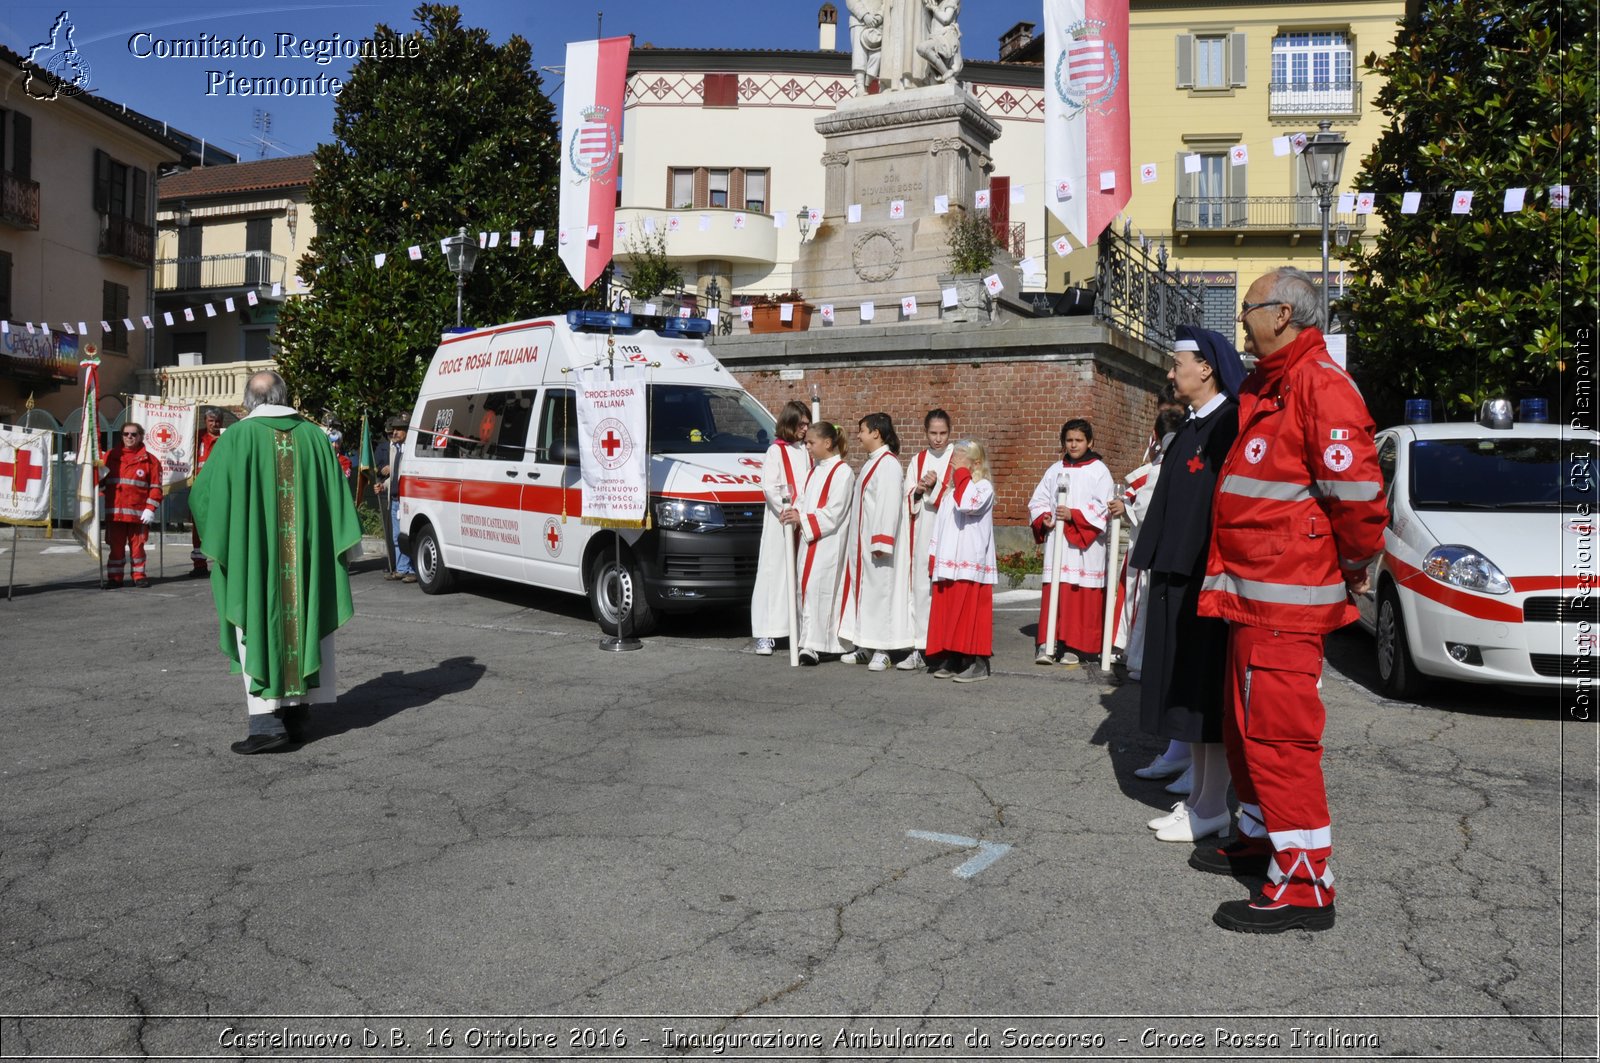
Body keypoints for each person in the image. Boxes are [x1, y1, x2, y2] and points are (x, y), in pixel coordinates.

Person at [1194, 267, 1387, 933]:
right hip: (1255, 595)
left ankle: (1305, 883)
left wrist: (1358, 564)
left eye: (1246, 307)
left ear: (1281, 315)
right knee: (1248, 728)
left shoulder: (1318, 385)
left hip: (1283, 600)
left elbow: (1358, 496)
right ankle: (1260, 835)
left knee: (1279, 736)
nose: (1240, 318)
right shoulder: (1271, 384)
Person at [190, 370, 363, 755]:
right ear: (286, 394)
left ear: (249, 401)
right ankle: (298, 716)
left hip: (256, 558)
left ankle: (267, 724)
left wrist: (226, 537)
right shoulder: (315, 437)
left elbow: (204, 496)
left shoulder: (236, 437)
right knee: (303, 618)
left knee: (259, 616)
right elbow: (337, 500)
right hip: (306, 560)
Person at [1129, 327, 1244, 846]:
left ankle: (1214, 803)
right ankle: (1200, 798)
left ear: (1207, 368)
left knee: (1203, 693)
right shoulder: (1195, 425)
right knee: (1186, 691)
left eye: (1178, 365)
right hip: (1179, 575)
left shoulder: (1228, 423)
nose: (1171, 375)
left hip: (1204, 577)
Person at [1108, 407, 1186, 679]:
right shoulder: (1186, 461)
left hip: (1153, 549)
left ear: (1155, 435)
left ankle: (1143, 662)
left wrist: (1126, 507)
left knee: (1147, 604)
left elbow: (1144, 511)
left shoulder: (1158, 469)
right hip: (1180, 546)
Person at [1028, 419, 1114, 665]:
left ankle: (1075, 646)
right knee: (1056, 587)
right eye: (1069, 440)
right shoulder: (1054, 470)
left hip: (1085, 546)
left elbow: (1103, 507)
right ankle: (1048, 642)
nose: (1073, 445)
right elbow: (1038, 500)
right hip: (1059, 543)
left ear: (1090, 442)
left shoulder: (1099, 470)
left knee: (1079, 592)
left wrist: (1074, 515)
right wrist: (1044, 517)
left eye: (1078, 440)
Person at [837, 412, 914, 670]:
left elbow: (888, 504)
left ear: (876, 433)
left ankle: (884, 649)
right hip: (865, 545)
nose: (858, 436)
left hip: (880, 545)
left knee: (882, 594)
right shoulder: (873, 462)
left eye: (862, 430)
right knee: (867, 595)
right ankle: (866, 645)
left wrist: (882, 540)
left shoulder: (888, 464)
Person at [925, 440, 996, 682]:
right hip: (949, 563)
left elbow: (968, 505)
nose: (954, 463)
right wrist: (933, 558)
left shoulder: (983, 487)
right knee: (949, 614)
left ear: (975, 463)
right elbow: (940, 529)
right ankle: (954, 656)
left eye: (960, 459)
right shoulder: (950, 494)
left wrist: (963, 475)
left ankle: (977, 663)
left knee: (970, 614)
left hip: (970, 562)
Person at [782, 422, 853, 665]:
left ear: (828, 443)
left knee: (818, 589)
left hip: (828, 542)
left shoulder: (842, 471)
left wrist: (802, 518)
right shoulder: (815, 470)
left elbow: (834, 512)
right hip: (809, 539)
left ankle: (817, 644)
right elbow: (803, 499)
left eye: (811, 443)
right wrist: (794, 512)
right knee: (806, 589)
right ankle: (809, 642)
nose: (808, 447)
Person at [752, 400, 812, 655]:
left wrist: (802, 510)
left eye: (808, 424)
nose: (805, 429)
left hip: (800, 519)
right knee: (773, 574)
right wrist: (788, 509)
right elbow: (770, 486)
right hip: (781, 521)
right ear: (789, 423)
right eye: (802, 424)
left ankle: (792, 629)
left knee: (796, 576)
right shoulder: (776, 451)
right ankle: (765, 632)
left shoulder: (805, 451)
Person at [899, 408, 953, 672]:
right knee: (921, 589)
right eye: (933, 433)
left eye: (943, 433)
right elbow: (907, 496)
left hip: (950, 533)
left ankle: (947, 648)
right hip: (923, 532)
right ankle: (919, 646)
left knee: (945, 591)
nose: (938, 439)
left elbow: (961, 497)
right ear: (926, 432)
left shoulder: (958, 457)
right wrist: (918, 491)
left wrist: (936, 487)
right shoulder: (917, 460)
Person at [100, 422, 163, 589]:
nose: (129, 437)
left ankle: (139, 576)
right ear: (121, 436)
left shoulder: (151, 461)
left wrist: (150, 509)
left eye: (134, 434)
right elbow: (101, 483)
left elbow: (156, 488)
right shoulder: (110, 457)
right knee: (116, 549)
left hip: (138, 515)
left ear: (140, 436)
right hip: (115, 514)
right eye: (126, 434)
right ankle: (115, 578)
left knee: (137, 549)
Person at [376, 416, 416, 583]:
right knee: (396, 537)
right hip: (394, 499)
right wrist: (383, 486)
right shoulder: (397, 449)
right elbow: (394, 477)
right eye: (394, 429)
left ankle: (411, 570)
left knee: (406, 536)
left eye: (399, 429)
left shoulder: (408, 450)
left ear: (407, 431)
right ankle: (401, 568)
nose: (395, 432)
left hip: (404, 499)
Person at [189, 408, 223, 577]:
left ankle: (221, 563)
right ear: (205, 421)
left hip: (221, 491)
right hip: (200, 492)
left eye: (217, 421)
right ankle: (199, 564)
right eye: (211, 421)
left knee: (220, 527)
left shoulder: (226, 438)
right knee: (198, 528)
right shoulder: (197, 437)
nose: (214, 424)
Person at [916, 0, 962, 83]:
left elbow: (946, 19)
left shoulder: (951, 1)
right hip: (937, 37)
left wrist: (934, 8)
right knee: (922, 49)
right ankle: (947, 75)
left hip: (946, 38)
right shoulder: (940, 3)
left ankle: (946, 74)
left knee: (922, 48)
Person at [845, 0, 884, 93]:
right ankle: (860, 85)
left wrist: (880, 16)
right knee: (859, 54)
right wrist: (865, 15)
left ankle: (867, 82)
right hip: (858, 21)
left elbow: (886, 3)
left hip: (878, 24)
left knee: (878, 55)